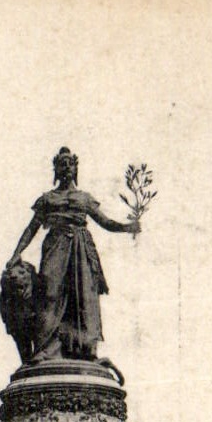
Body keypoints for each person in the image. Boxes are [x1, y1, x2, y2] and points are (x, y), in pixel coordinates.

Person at [8, 147, 139, 362]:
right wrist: (17, 253)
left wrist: (127, 227)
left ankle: (85, 348)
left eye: (70, 163)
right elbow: (31, 228)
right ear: (56, 170)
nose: (67, 167)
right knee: (48, 293)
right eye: (62, 164)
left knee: (84, 296)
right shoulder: (47, 199)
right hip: (55, 245)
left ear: (76, 168)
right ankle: (45, 348)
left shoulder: (84, 198)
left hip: (81, 248)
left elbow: (105, 222)